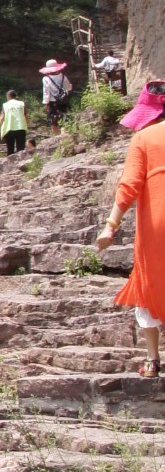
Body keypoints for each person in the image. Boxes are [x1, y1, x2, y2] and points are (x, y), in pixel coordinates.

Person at [96, 79, 165, 379]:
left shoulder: (144, 138)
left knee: (149, 284)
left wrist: (110, 225)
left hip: (157, 226)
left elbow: (129, 185)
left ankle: (152, 360)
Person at [41, 58, 73, 128]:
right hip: (63, 101)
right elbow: (69, 88)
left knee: (53, 119)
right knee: (64, 117)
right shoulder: (63, 77)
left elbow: (46, 92)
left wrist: (46, 103)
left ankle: (56, 136)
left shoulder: (46, 79)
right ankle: (64, 134)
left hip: (53, 102)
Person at [0, 89, 28, 155]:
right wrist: (26, 126)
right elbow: (26, 116)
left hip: (9, 129)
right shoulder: (22, 103)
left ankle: (10, 164)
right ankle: (21, 163)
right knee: (21, 149)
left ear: (8, 96)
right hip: (21, 128)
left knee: (10, 149)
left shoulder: (5, 105)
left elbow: (2, 118)